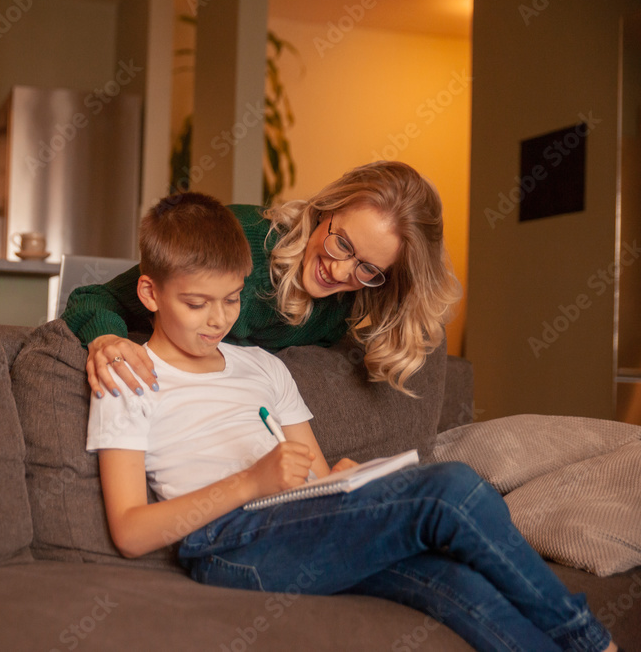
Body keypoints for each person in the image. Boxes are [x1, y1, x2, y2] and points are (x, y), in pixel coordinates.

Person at [86, 192, 617, 652]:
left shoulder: (264, 366)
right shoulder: (126, 372)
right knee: (451, 488)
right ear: (151, 294)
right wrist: (251, 481)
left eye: (230, 299)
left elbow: (315, 480)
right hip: (226, 546)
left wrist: (342, 481)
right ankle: (589, 639)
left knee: (457, 582)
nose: (219, 319)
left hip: (301, 527)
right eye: (197, 303)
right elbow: (131, 532)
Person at [62, 160, 462, 401]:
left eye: (368, 269)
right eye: (342, 243)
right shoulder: (239, 243)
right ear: (325, 209)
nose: (340, 272)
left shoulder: (352, 301)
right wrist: (107, 339)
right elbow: (93, 297)